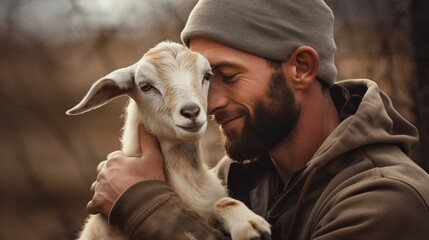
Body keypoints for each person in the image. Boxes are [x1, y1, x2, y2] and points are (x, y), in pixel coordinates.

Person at [86, 0, 429, 239]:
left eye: (229, 76)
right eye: (204, 79)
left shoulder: (385, 202)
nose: (209, 103)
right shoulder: (231, 181)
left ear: (302, 68)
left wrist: (146, 205)